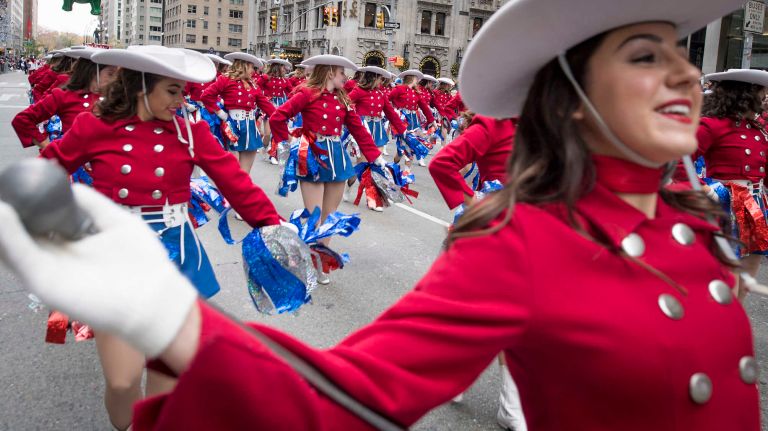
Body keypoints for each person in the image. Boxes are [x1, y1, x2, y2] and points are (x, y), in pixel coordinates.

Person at [0, 1, 760, 431]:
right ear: (569, 89)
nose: (686, 72)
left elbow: (238, 167)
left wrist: (275, 221)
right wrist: (163, 309)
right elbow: (344, 395)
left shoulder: (690, 225)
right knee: (136, 369)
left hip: (245, 200)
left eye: (681, 52)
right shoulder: (521, 239)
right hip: (142, 231)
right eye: (643, 53)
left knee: (317, 217)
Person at [35, 45, 283, 431]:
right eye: (172, 90)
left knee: (166, 380)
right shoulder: (93, 126)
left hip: (175, 256)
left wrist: (273, 226)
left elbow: (235, 182)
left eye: (182, 91)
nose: (181, 100)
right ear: (142, 86)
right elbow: (45, 173)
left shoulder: (190, 131)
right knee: (122, 379)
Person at [269, 55, 385, 283]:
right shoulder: (306, 93)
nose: (347, 78)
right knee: (314, 218)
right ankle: (309, 260)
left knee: (330, 218)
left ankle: (319, 260)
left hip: (337, 159)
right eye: (343, 73)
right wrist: (288, 144)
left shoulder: (343, 99)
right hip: (312, 157)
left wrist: (376, 156)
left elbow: (358, 129)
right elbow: (277, 117)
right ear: (331, 71)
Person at [694, 69, 768, 284]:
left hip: (756, 204)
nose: (764, 98)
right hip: (727, 204)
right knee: (728, 273)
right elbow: (679, 161)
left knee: (749, 274)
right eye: (761, 93)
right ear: (745, 94)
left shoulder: (757, 130)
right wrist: (706, 189)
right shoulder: (712, 125)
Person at [12, 47, 117, 150]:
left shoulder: (116, 98)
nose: (115, 79)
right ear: (94, 72)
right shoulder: (65, 93)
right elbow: (23, 119)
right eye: (110, 74)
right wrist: (49, 148)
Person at [200, 52, 275, 176]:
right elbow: (206, 96)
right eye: (252, 67)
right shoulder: (225, 80)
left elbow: (266, 105)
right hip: (232, 125)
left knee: (244, 174)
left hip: (250, 127)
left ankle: (242, 192)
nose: (253, 71)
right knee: (232, 170)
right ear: (244, 66)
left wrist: (283, 115)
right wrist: (221, 114)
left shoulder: (253, 85)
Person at [345, 65, 408, 211]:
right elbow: (345, 103)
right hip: (363, 130)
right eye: (380, 78)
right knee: (363, 165)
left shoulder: (381, 94)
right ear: (373, 78)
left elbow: (391, 112)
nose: (381, 81)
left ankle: (372, 197)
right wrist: (354, 117)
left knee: (375, 165)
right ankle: (348, 186)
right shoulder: (358, 91)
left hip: (378, 130)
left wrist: (402, 129)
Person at [389, 69, 436, 168]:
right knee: (403, 148)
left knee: (410, 146)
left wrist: (432, 121)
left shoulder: (416, 92)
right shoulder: (399, 89)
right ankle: (395, 166)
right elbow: (387, 99)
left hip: (414, 121)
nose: (418, 80)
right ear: (412, 78)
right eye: (416, 78)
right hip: (402, 120)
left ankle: (407, 172)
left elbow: (424, 107)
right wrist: (394, 110)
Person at [258, 58, 295, 164]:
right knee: (268, 134)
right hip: (268, 105)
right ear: (278, 67)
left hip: (280, 107)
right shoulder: (266, 78)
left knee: (276, 133)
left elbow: (291, 94)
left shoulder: (285, 80)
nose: (285, 69)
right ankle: (265, 147)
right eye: (283, 67)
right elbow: (256, 87)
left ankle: (273, 154)